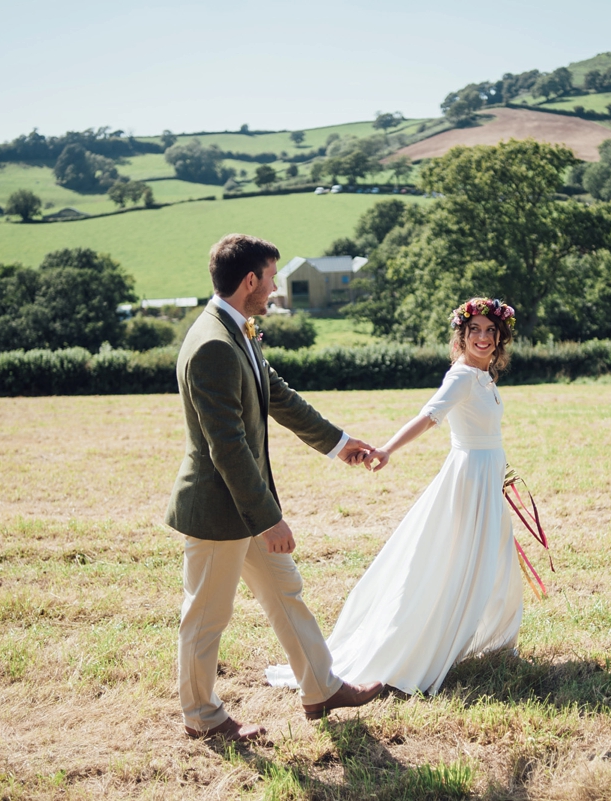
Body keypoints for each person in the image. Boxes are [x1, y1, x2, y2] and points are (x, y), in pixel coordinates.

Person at [166, 233, 384, 743]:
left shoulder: (236, 330)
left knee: (286, 592)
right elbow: (228, 448)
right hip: (221, 510)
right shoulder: (215, 345)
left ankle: (321, 689)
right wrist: (268, 517)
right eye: (271, 278)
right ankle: (202, 717)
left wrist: (339, 443)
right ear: (249, 281)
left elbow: (277, 396)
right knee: (206, 616)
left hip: (245, 507)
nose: (275, 288)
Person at [267, 297, 525, 696]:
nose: (484, 338)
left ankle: (483, 637)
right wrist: (387, 448)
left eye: (491, 331)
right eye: (475, 330)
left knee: (491, 555)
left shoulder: (484, 377)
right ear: (463, 334)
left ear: (501, 337)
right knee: (455, 561)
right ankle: (424, 645)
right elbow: (428, 417)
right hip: (468, 479)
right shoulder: (460, 376)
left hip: (485, 475)